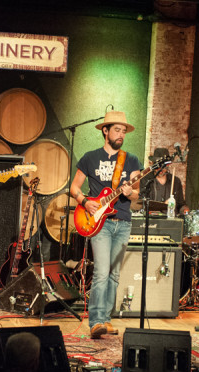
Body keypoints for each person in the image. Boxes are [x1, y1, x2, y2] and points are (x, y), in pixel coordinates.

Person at [70, 110, 142, 338]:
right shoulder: (90, 157)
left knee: (114, 275)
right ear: (105, 131)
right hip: (99, 222)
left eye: (124, 131)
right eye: (117, 130)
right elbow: (74, 188)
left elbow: (136, 196)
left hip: (123, 223)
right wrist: (85, 201)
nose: (121, 134)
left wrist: (130, 193)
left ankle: (106, 319)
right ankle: (95, 321)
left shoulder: (131, 160)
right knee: (101, 272)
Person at [139, 147, 189, 214]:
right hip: (152, 221)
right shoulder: (146, 180)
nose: (160, 169)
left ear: (167, 165)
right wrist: (163, 206)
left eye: (163, 166)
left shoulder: (176, 181)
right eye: (157, 166)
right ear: (153, 164)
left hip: (171, 222)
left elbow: (181, 204)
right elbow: (142, 204)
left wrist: (185, 210)